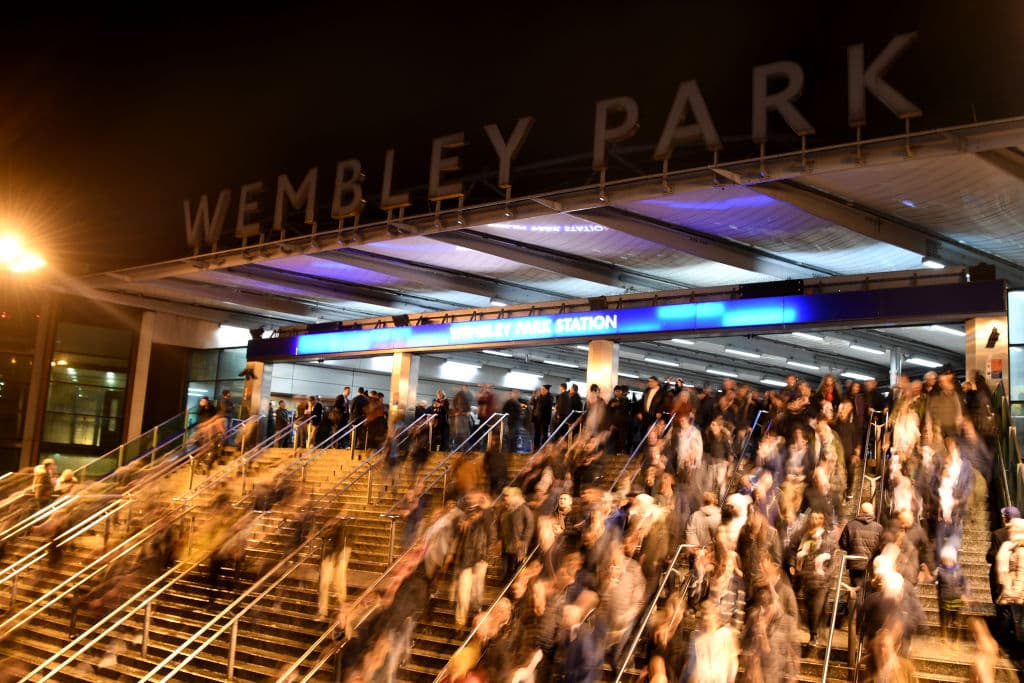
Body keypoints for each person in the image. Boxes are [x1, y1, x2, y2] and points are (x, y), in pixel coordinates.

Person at [317, 509, 352, 620]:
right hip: (329, 555)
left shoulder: (343, 525)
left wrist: (337, 558)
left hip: (340, 553)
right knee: (324, 584)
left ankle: (343, 611)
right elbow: (321, 536)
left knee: (338, 583)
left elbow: (342, 543)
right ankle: (322, 611)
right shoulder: (328, 524)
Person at [936, 545, 969, 645]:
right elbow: (937, 583)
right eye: (944, 559)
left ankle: (956, 640)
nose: (946, 561)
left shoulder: (959, 571)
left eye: (948, 559)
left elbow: (965, 584)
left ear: (953, 559)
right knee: (944, 620)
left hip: (957, 600)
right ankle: (944, 636)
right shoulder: (940, 571)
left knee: (956, 622)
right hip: (944, 600)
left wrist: (965, 594)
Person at [532, 385, 553, 450]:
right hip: (537, 419)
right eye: (541, 389)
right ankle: (536, 446)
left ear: (546, 390)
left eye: (543, 389)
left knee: (544, 433)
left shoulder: (549, 398)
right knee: (537, 433)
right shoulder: (539, 397)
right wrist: (534, 399)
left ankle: (544, 447)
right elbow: (535, 405)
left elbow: (544, 406)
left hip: (544, 419)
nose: (541, 391)